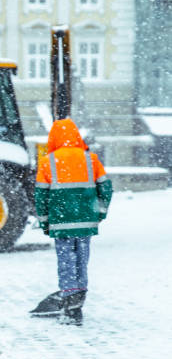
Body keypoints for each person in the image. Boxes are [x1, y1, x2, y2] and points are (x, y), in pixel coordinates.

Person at [30, 119, 113, 325]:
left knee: (66, 261)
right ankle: (79, 298)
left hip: (61, 222)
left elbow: (41, 195)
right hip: (86, 222)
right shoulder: (91, 159)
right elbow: (106, 189)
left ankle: (70, 304)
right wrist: (99, 213)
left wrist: (44, 221)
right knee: (82, 259)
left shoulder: (47, 162)